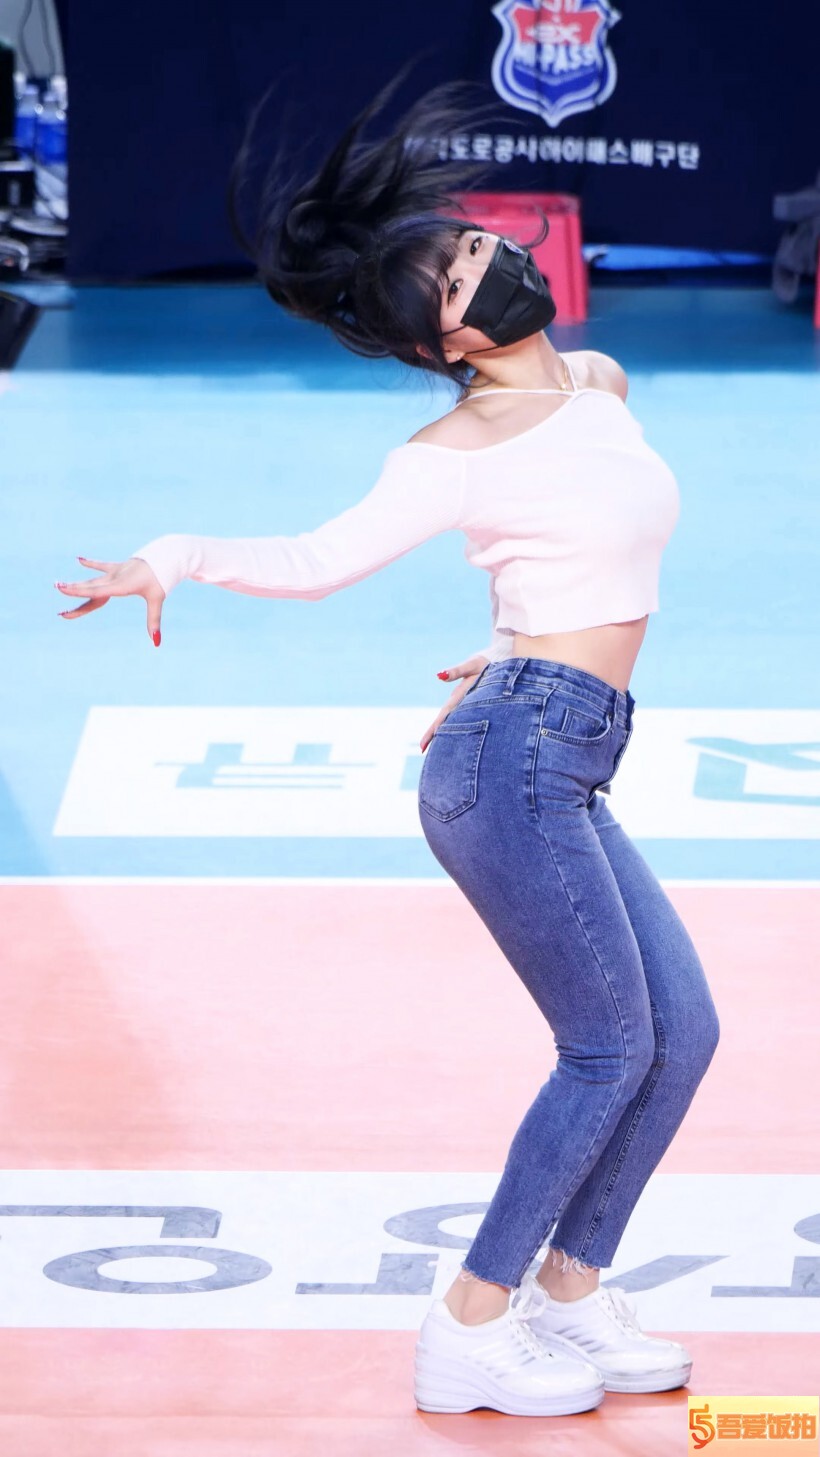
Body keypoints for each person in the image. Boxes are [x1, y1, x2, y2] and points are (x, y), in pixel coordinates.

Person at [54, 79, 721, 1419]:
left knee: (683, 1032)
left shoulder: (595, 383)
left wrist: (514, 636)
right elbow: (316, 562)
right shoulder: (448, 449)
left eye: (475, 240)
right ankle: (469, 1321)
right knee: (608, 1045)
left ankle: (572, 1288)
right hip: (511, 764)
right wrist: (173, 555)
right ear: (450, 340)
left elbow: (575, 537)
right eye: (467, 272)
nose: (494, 256)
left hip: (562, 740)